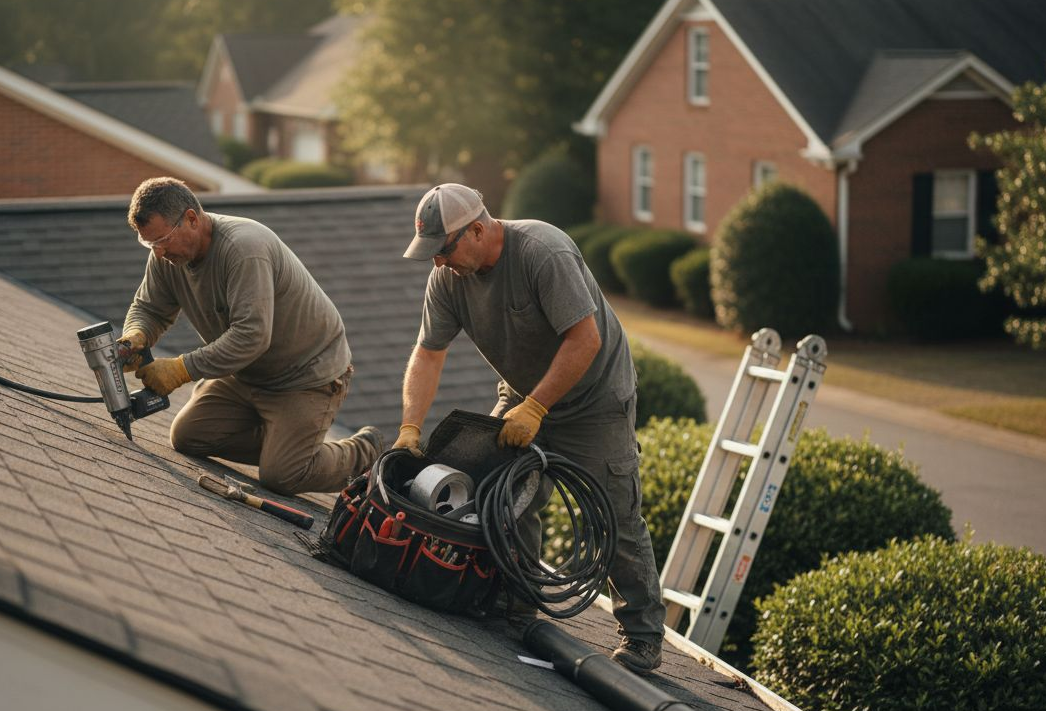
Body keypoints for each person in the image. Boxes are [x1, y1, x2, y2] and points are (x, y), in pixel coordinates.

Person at [394, 183, 666, 675]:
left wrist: (538, 407)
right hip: (522, 391)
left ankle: (642, 635)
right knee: (502, 492)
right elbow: (428, 354)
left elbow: (585, 339)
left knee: (616, 514)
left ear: (477, 229)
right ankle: (517, 606)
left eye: (444, 250)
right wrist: (410, 426)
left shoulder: (543, 251)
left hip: (594, 399)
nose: (437, 264)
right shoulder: (449, 280)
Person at [120, 176, 381, 495]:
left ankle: (367, 451)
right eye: (149, 244)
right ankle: (283, 440)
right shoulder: (167, 256)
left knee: (283, 475)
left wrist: (180, 369)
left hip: (305, 374)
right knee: (188, 436)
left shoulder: (243, 249)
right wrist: (136, 335)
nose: (158, 253)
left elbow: (252, 337)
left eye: (163, 240)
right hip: (246, 372)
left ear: (191, 218)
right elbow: (149, 307)